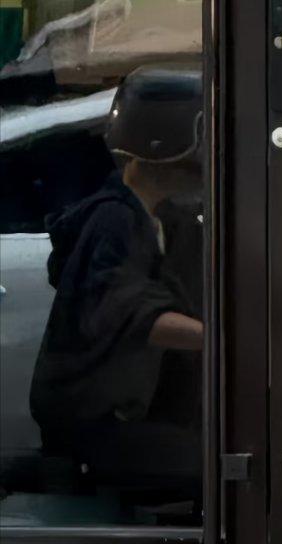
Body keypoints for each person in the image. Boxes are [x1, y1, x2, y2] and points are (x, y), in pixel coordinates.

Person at [29, 67, 204, 508]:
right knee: (213, 466)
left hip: (132, 415)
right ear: (166, 150)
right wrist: (220, 339)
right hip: (98, 427)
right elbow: (127, 312)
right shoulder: (114, 220)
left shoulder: (167, 220)